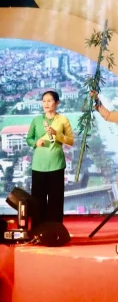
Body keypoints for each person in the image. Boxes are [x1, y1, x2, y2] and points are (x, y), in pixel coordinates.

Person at [25, 90, 73, 224]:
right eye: (44, 101)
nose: (46, 103)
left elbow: (70, 140)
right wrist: (35, 143)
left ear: (57, 103)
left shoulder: (63, 120)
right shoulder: (36, 120)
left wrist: (57, 133)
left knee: (55, 200)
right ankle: (38, 229)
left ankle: (55, 230)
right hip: (38, 165)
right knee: (37, 200)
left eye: (49, 100)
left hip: (56, 164)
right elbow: (29, 138)